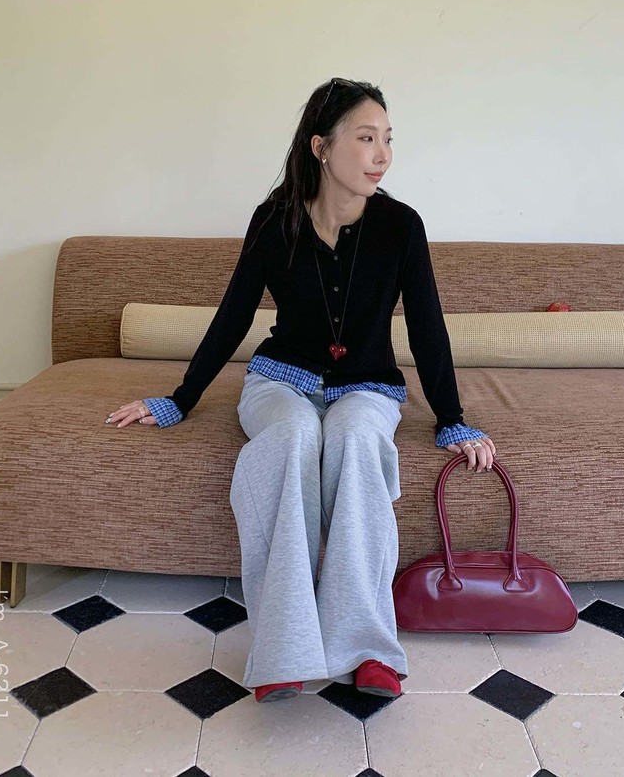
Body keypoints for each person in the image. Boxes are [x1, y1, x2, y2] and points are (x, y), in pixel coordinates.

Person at [105, 77, 496, 703]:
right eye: (365, 138)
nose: (382, 155)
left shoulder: (400, 226)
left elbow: (427, 324)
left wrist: (452, 418)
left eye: (388, 139)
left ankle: (367, 648)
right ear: (321, 146)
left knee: (357, 440)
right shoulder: (274, 220)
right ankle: (283, 649)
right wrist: (180, 398)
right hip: (279, 380)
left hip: (367, 385)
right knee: (292, 438)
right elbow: (234, 314)